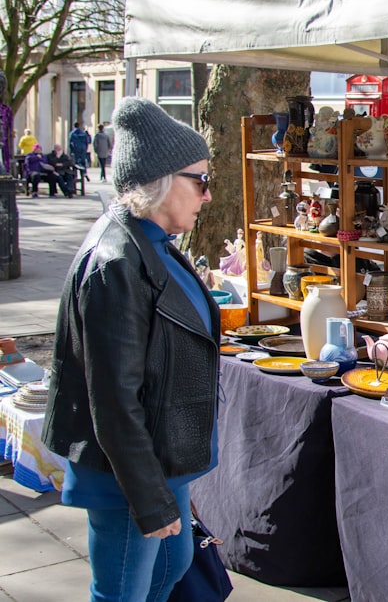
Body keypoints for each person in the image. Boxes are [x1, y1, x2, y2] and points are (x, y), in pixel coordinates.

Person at [42, 97, 218, 601]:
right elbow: (114, 399)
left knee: (174, 564)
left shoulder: (151, 241)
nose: (207, 196)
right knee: (122, 591)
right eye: (200, 181)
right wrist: (149, 499)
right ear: (163, 180)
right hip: (129, 472)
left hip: (161, 459)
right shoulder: (117, 261)